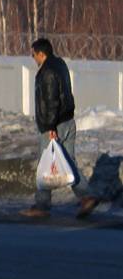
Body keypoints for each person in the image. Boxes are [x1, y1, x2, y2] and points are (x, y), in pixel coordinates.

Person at [21, 38, 99, 218]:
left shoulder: (47, 71)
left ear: (41, 53)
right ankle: (86, 197)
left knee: (44, 164)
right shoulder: (60, 64)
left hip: (54, 124)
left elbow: (52, 101)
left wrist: (49, 127)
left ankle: (42, 206)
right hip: (68, 121)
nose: (33, 58)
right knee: (68, 162)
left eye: (33, 55)